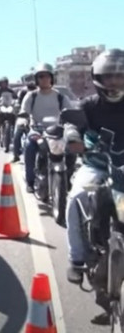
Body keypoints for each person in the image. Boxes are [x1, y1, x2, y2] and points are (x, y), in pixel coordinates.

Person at [64, 49, 124, 292]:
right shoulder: (88, 105)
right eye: (109, 76)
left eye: (120, 76)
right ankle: (76, 258)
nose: (114, 82)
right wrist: (72, 137)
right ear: (98, 78)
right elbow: (71, 123)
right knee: (76, 197)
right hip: (96, 163)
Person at [20, 63, 72, 191]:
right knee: (29, 147)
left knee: (71, 149)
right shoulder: (31, 96)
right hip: (37, 131)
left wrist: (73, 120)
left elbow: (69, 112)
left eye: (47, 76)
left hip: (57, 132)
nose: (44, 79)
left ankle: (67, 179)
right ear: (36, 79)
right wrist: (22, 120)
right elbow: (23, 112)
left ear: (52, 78)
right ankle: (30, 181)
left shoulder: (60, 96)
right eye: (41, 76)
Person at [11, 81, 37, 162]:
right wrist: (18, 112)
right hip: (25, 116)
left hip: (38, 117)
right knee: (17, 134)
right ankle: (16, 155)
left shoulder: (41, 94)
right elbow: (18, 104)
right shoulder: (22, 92)